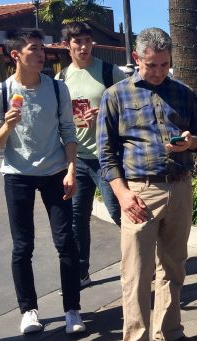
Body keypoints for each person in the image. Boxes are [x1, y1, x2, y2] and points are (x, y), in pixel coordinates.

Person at [97, 27, 197, 341]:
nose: (159, 71)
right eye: (152, 65)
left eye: (164, 64)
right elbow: (105, 153)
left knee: (173, 267)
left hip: (179, 188)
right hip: (139, 193)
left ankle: (169, 332)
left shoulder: (183, 92)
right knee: (136, 274)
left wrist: (191, 142)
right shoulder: (116, 95)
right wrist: (122, 193)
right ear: (137, 59)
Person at [0, 29, 85, 335]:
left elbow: (69, 132)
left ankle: (72, 310)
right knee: (22, 246)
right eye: (33, 49)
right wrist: (6, 126)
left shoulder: (57, 90)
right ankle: (29, 310)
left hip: (55, 172)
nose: (41, 54)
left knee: (65, 241)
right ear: (15, 55)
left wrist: (71, 170)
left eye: (42, 49)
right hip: (17, 176)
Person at [57, 21, 126, 288]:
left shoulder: (110, 72)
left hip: (107, 157)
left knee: (118, 211)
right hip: (77, 159)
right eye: (78, 42)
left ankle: (145, 260)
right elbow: (59, 119)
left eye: (87, 40)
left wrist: (106, 113)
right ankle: (82, 272)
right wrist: (74, 122)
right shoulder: (61, 79)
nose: (84, 46)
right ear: (68, 46)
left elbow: (131, 104)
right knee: (77, 219)